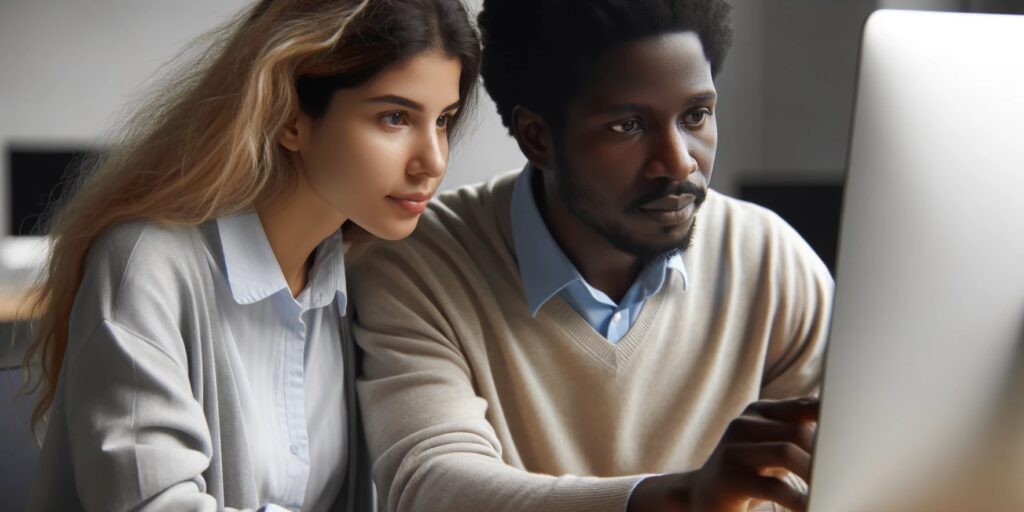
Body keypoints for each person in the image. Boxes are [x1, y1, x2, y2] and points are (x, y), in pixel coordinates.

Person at [348, 0, 833, 511]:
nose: (679, 161)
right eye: (628, 126)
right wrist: (682, 498)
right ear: (539, 139)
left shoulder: (771, 261)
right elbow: (432, 485)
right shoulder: (420, 263)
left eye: (696, 115)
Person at [21, 0, 480, 510]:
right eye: (394, 117)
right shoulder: (144, 265)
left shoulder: (360, 281)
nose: (433, 162)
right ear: (288, 117)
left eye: (443, 120)